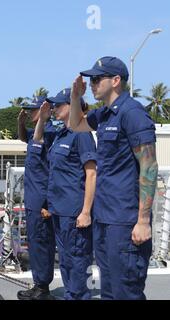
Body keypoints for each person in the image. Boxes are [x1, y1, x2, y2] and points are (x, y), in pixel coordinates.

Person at [69, 56, 158, 300]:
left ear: (116, 80)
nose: (93, 84)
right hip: (105, 218)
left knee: (125, 292)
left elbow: (149, 167)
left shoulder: (132, 113)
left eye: (97, 79)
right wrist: (76, 97)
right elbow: (76, 124)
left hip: (125, 220)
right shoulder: (106, 114)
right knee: (109, 292)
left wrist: (143, 220)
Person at [35, 89, 97, 300]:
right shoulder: (62, 133)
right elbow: (36, 140)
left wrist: (86, 211)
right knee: (67, 262)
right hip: (59, 211)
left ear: (72, 106)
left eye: (59, 105)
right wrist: (42, 119)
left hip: (74, 212)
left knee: (79, 261)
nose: (54, 109)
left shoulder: (82, 134)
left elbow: (91, 174)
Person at [16, 96, 57, 300]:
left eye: (33, 110)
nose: (30, 112)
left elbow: (53, 171)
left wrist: (48, 203)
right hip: (33, 200)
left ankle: (43, 287)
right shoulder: (37, 133)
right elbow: (25, 138)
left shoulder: (50, 134)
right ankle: (39, 284)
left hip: (41, 201)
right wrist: (20, 123)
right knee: (35, 243)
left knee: (42, 243)